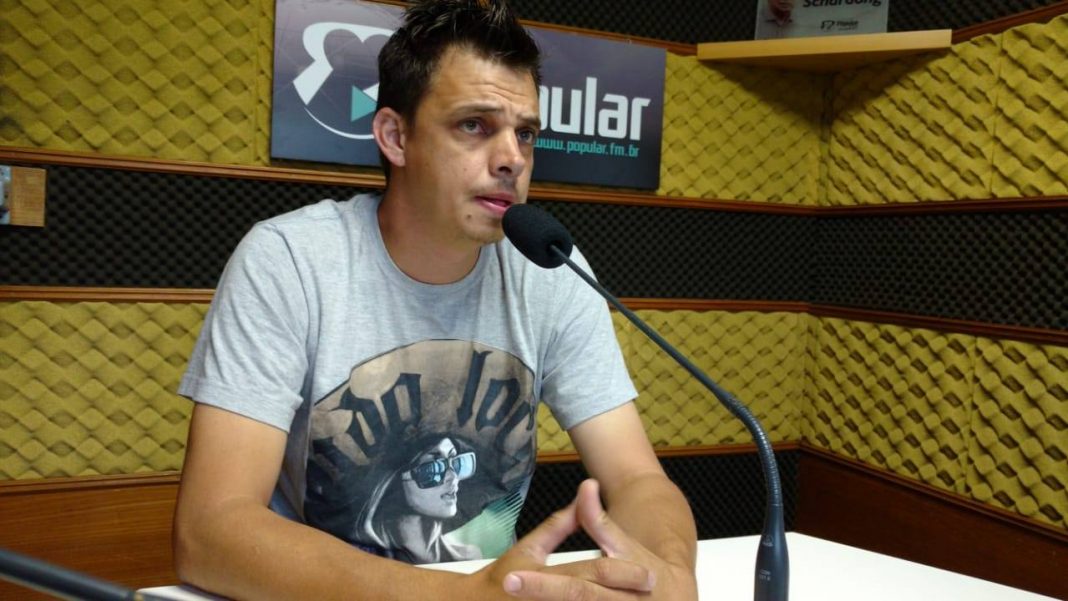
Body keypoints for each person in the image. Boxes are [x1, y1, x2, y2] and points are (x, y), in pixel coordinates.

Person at [173, 1, 698, 599]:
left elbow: (636, 479)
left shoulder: (550, 269)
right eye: (474, 125)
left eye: (525, 133)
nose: (512, 158)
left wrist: (670, 573)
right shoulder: (290, 261)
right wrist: (458, 598)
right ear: (395, 137)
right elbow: (210, 529)